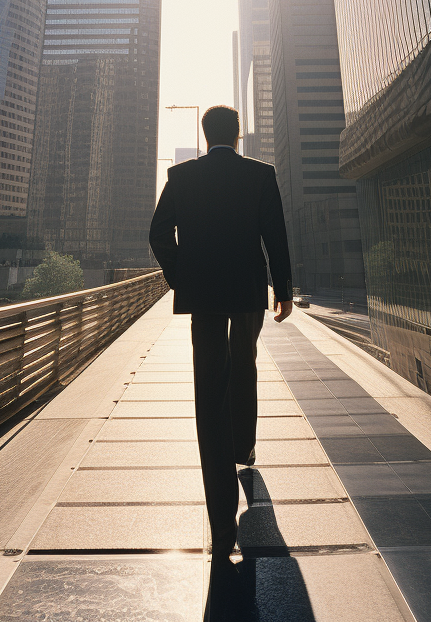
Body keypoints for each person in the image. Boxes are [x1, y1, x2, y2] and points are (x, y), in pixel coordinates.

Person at [149, 104, 293, 564]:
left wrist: (182, 276)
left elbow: (157, 235)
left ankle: (220, 521)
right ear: (238, 136)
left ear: (204, 134)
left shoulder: (181, 175)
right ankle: (244, 445)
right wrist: (283, 291)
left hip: (204, 297)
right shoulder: (261, 174)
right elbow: (276, 235)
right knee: (245, 365)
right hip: (249, 291)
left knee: (209, 393)